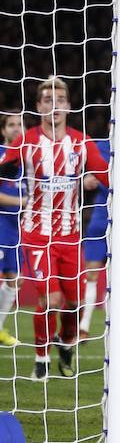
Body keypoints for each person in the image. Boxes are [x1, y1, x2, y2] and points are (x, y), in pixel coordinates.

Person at [0, 78, 110, 380]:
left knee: (73, 305)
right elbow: (4, 168)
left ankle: (65, 341)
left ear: (69, 106)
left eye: (60, 100)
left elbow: (105, 176)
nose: (55, 106)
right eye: (48, 100)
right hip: (36, 234)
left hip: (71, 236)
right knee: (50, 300)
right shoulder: (26, 141)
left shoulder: (82, 142)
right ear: (38, 107)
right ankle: (41, 357)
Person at [79, 134, 111, 343]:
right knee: (91, 274)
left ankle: (114, 328)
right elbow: (86, 178)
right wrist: (87, 179)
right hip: (101, 217)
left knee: (118, 278)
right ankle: (84, 326)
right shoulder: (101, 146)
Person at [0, 115, 25, 347]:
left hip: (15, 229)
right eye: (11, 125)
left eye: (20, 124)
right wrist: (25, 201)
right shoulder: (1, 155)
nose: (17, 129)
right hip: (0, 224)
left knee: (15, 280)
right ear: (3, 131)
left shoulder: (28, 158)